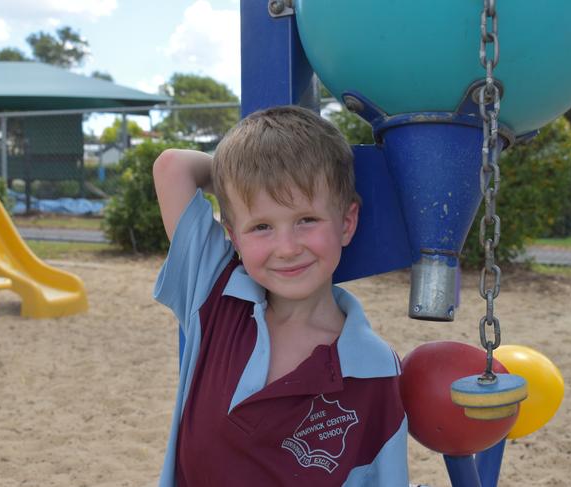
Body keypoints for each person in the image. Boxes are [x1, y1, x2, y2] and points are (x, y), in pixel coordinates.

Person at [152, 105, 408, 486]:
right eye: (261, 226)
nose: (286, 248)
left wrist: (253, 192)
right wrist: (238, 178)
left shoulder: (374, 368)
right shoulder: (215, 295)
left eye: (306, 219)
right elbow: (173, 167)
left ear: (346, 222)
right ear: (234, 237)